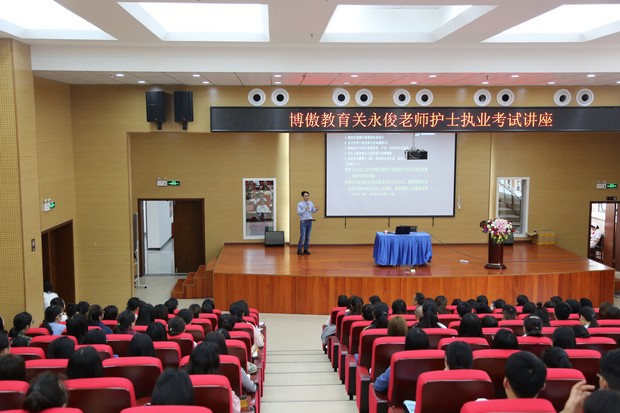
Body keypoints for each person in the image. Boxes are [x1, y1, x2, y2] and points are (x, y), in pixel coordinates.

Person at [373, 328, 430, 392]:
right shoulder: (434, 364)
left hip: (400, 398)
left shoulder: (399, 363)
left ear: (407, 345)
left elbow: (378, 385)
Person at [296, 190, 319, 255]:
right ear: (303, 196)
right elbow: (298, 212)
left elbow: (312, 211)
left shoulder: (311, 203)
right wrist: (304, 209)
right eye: (305, 196)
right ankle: (299, 250)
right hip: (303, 222)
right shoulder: (300, 204)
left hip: (309, 221)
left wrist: (316, 209)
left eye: (308, 196)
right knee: (302, 236)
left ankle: (306, 249)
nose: (307, 197)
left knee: (308, 237)